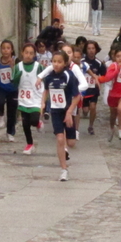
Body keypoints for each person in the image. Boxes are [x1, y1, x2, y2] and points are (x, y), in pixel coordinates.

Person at [40, 51, 81, 182]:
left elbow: (77, 96)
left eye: (59, 62)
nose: (56, 64)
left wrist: (69, 112)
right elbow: (46, 90)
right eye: (54, 61)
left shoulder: (69, 76)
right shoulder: (49, 77)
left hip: (67, 111)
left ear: (64, 63)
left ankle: (66, 147)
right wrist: (42, 103)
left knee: (71, 142)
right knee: (59, 139)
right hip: (56, 111)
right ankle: (64, 170)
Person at [92, 46, 121, 142]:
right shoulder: (113, 66)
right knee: (113, 114)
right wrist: (116, 71)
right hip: (114, 94)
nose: (120, 58)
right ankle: (111, 128)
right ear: (114, 57)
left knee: (120, 108)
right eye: (118, 56)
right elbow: (108, 77)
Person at [12, 43, 44, 155]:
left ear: (34, 54)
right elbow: (14, 83)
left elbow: (45, 78)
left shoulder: (38, 67)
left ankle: (38, 123)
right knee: (25, 124)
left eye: (31, 53)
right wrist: (16, 77)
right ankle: (29, 144)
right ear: (22, 53)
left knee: (34, 120)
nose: (28, 55)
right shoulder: (17, 67)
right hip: (23, 99)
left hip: (35, 99)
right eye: (26, 53)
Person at [81, 40, 106, 135]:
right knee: (85, 110)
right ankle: (84, 111)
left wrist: (98, 79)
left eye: (93, 48)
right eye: (89, 48)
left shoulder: (99, 63)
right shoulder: (81, 62)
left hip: (94, 89)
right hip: (83, 90)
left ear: (96, 50)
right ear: (85, 50)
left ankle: (91, 126)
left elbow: (104, 75)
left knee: (93, 107)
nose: (91, 51)